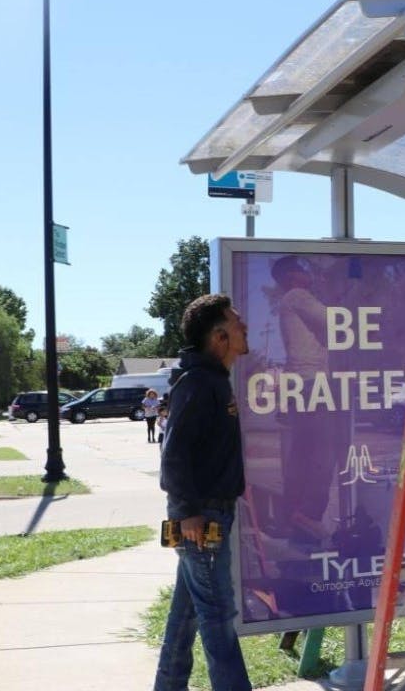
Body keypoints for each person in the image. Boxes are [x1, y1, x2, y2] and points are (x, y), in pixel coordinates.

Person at [154, 293, 252, 691]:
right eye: (236, 322)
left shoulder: (213, 380)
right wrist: (186, 513)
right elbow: (173, 454)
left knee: (186, 617)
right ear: (219, 336)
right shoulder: (198, 383)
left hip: (209, 514)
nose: (244, 326)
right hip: (202, 519)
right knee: (218, 619)